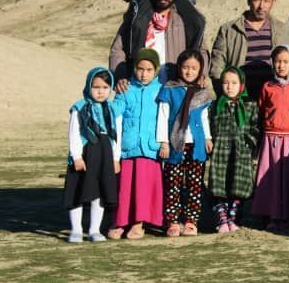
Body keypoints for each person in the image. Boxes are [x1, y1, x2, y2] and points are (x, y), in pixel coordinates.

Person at [110, 0, 208, 89]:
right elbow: (118, 49)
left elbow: (200, 49)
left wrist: (201, 74)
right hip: (141, 87)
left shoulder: (185, 20)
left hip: (175, 87)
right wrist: (120, 76)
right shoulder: (138, 18)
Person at [252, 45, 289, 233]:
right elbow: (262, 109)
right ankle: (272, 216)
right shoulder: (267, 87)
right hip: (271, 139)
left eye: (285, 62)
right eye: (277, 61)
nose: (281, 65)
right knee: (272, 180)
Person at [157, 50, 213, 237]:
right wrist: (164, 142)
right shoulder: (169, 89)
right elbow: (162, 117)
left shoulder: (202, 93)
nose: (189, 72)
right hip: (175, 145)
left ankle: (191, 221)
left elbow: (204, 117)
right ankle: (172, 220)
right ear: (179, 68)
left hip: (196, 144)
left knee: (194, 184)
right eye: (185, 67)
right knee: (172, 184)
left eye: (194, 68)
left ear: (200, 70)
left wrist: (208, 138)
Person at [108, 49, 163, 240]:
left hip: (150, 148)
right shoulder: (125, 90)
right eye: (140, 69)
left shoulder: (161, 90)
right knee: (125, 188)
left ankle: (139, 223)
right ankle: (120, 221)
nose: (144, 74)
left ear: (156, 70)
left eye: (149, 70)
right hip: (129, 147)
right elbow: (115, 113)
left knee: (143, 188)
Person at [210, 0, 289, 100]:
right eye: (257, 0)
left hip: (274, 100)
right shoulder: (229, 30)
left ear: (273, 2)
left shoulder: (283, 30)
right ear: (249, 0)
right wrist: (226, 96)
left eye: (266, 1)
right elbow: (216, 67)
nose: (261, 6)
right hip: (240, 100)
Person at [63, 67, 122, 243]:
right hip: (85, 155)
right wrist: (76, 156)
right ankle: (76, 230)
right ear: (88, 86)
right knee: (78, 191)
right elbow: (74, 133)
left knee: (99, 193)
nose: (100, 92)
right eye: (96, 87)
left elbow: (117, 135)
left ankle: (94, 230)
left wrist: (116, 158)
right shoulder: (79, 107)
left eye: (105, 87)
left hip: (105, 155)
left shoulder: (113, 109)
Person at [206, 66, 260, 234]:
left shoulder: (250, 105)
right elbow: (210, 127)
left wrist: (249, 143)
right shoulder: (216, 105)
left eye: (234, 83)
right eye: (226, 82)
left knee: (238, 186)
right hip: (220, 153)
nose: (230, 87)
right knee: (220, 186)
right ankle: (222, 219)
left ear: (241, 84)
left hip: (241, 153)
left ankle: (233, 218)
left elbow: (256, 128)